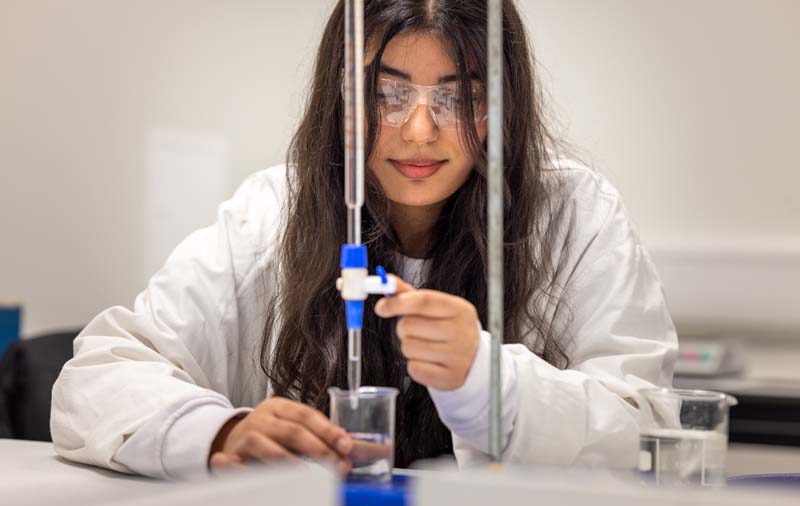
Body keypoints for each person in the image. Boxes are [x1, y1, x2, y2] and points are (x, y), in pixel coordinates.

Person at [51, 0, 676, 480]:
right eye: (388, 93)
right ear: (341, 95)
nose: (420, 131)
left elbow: (652, 431)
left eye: (458, 97)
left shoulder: (574, 217)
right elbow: (99, 376)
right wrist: (217, 435)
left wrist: (489, 382)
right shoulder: (273, 213)